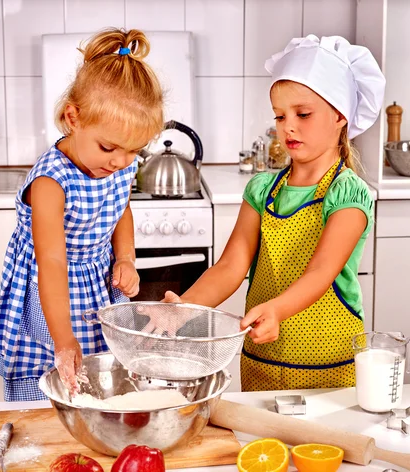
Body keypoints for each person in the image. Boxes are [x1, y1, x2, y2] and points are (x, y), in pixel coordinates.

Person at [160, 34, 385, 391]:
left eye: (303, 114)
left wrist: (278, 309)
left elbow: (322, 271)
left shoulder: (347, 194)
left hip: (327, 366)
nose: (287, 126)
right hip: (262, 360)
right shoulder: (261, 190)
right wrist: (184, 307)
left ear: (340, 115)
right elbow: (230, 267)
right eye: (280, 116)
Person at [0, 28, 165, 401]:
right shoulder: (51, 182)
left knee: (100, 385)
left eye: (134, 151)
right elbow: (51, 261)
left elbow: (121, 209)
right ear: (73, 118)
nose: (121, 162)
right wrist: (63, 337)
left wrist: (126, 257)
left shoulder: (118, 165)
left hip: (96, 284)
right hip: (49, 289)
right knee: (52, 381)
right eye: (109, 147)